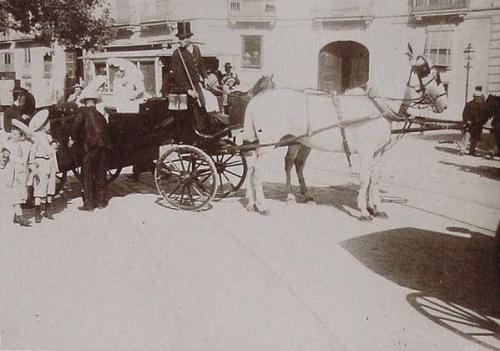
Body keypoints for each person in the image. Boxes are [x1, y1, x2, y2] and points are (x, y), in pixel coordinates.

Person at [170, 21, 228, 132]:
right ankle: (201, 130)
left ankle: (213, 126)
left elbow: (201, 65)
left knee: (213, 99)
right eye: (179, 39)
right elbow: (178, 77)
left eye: (182, 39)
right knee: (200, 104)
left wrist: (205, 77)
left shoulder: (196, 49)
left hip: (197, 84)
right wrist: (188, 90)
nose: (180, 41)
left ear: (188, 38)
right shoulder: (177, 54)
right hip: (187, 87)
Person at [70, 93, 111, 211]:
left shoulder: (83, 113)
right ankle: (101, 201)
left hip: (89, 148)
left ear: (85, 102)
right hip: (102, 147)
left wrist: (73, 139)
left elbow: (76, 127)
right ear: (94, 102)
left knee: (87, 175)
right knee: (101, 173)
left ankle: (89, 204)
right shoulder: (100, 115)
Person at [0, 119, 33, 226]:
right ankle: (20, 216)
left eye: (15, 131)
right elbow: (4, 158)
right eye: (12, 130)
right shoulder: (8, 144)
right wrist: (3, 159)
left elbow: (27, 158)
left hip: (22, 173)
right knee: (15, 195)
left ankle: (16, 215)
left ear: (21, 134)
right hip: (11, 174)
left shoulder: (26, 145)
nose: (12, 132)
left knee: (21, 194)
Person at [28, 110, 58, 223]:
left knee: (50, 187)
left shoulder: (49, 137)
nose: (50, 125)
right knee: (40, 188)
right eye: (48, 123)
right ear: (43, 125)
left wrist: (55, 146)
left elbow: (52, 150)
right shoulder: (37, 137)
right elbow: (32, 152)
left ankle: (48, 210)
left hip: (50, 163)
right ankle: (37, 212)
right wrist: (32, 165)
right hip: (41, 163)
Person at [462, 89, 489, 156]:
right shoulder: (469, 104)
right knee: (466, 137)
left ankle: (472, 151)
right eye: (476, 97)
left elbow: (485, 115)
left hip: (477, 125)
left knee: (475, 138)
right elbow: (465, 113)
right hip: (470, 124)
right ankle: (462, 150)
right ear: (474, 97)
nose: (477, 98)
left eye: (478, 97)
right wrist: (466, 121)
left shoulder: (482, 106)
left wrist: (482, 122)